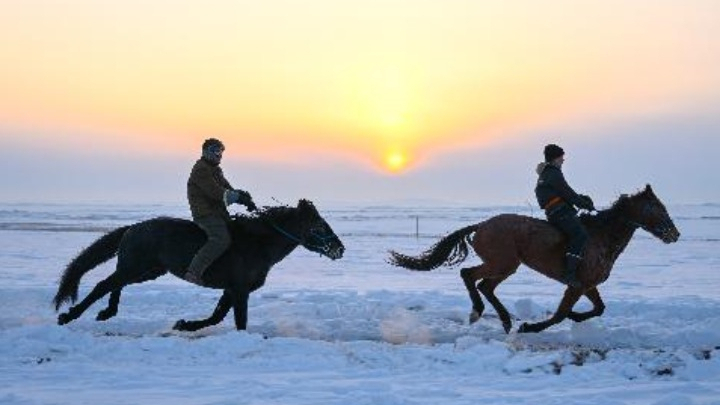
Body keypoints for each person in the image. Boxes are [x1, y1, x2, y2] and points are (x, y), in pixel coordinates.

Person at [184, 138, 257, 284]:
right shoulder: (201, 169)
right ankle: (193, 272)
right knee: (221, 239)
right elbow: (215, 192)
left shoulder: (215, 169)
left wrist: (242, 196)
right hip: (206, 214)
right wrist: (238, 198)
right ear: (206, 152)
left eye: (221, 151)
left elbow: (226, 188)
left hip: (218, 213)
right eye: (216, 151)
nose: (219, 155)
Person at [535, 144, 595, 288]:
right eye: (561, 157)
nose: (563, 160)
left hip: (556, 211)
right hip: (559, 212)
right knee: (580, 235)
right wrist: (585, 204)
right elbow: (567, 193)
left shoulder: (547, 173)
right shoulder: (553, 173)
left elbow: (565, 192)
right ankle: (569, 273)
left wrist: (581, 199)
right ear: (554, 158)